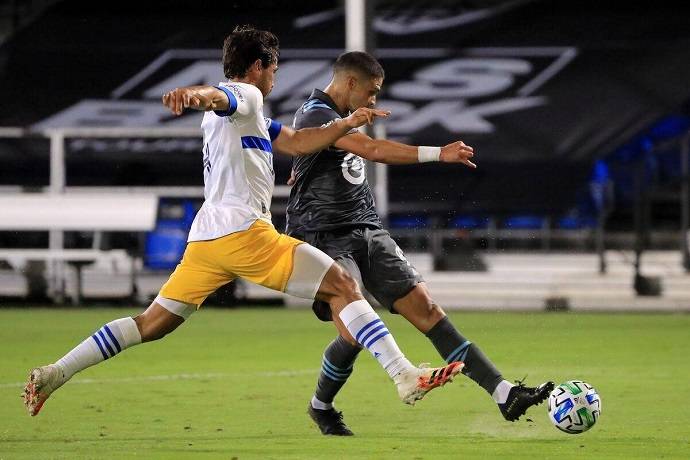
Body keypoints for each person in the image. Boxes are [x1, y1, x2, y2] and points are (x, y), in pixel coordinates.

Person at [22, 26, 463, 418]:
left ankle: (57, 371)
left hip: (207, 239)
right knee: (343, 288)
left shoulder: (250, 115)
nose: (275, 79)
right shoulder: (245, 95)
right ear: (258, 67)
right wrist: (193, 95)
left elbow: (298, 141)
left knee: (152, 322)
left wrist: (347, 122)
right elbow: (218, 95)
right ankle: (404, 374)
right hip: (243, 232)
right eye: (273, 70)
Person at [285, 51, 554, 436]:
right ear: (350, 84)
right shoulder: (314, 114)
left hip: (366, 229)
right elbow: (373, 151)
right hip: (322, 236)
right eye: (373, 91)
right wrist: (438, 154)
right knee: (354, 332)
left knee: (426, 309)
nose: (375, 99)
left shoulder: (349, 118)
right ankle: (321, 406)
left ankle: (503, 392)